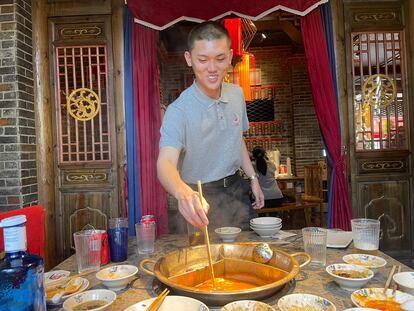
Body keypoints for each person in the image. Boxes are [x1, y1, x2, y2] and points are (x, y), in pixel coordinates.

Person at [157, 21, 264, 230]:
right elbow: (165, 163)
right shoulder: (178, 111)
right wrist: (181, 191)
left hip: (236, 189)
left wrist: (253, 178)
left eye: (220, 58)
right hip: (199, 197)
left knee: (245, 254)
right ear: (189, 59)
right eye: (203, 60)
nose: (212, 68)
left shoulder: (236, 94)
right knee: (206, 261)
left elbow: (236, 139)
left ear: (230, 56)